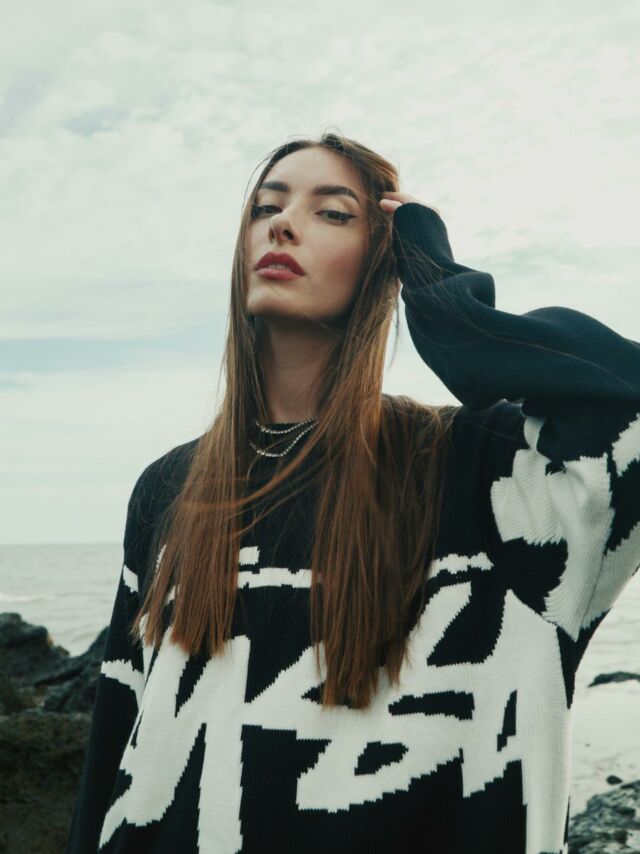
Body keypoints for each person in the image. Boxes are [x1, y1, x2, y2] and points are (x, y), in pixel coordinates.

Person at [65, 132, 640, 854]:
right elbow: (115, 749)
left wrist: (446, 299)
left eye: (333, 213)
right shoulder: (170, 488)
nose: (283, 224)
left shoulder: (487, 469)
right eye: (266, 208)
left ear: (385, 258)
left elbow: (626, 406)